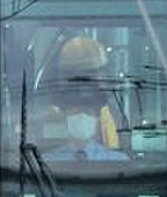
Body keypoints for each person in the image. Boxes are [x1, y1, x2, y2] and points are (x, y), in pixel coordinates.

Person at [35, 34, 128, 162]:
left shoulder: (118, 160)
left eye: (88, 110)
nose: (82, 115)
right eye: (75, 109)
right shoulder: (45, 163)